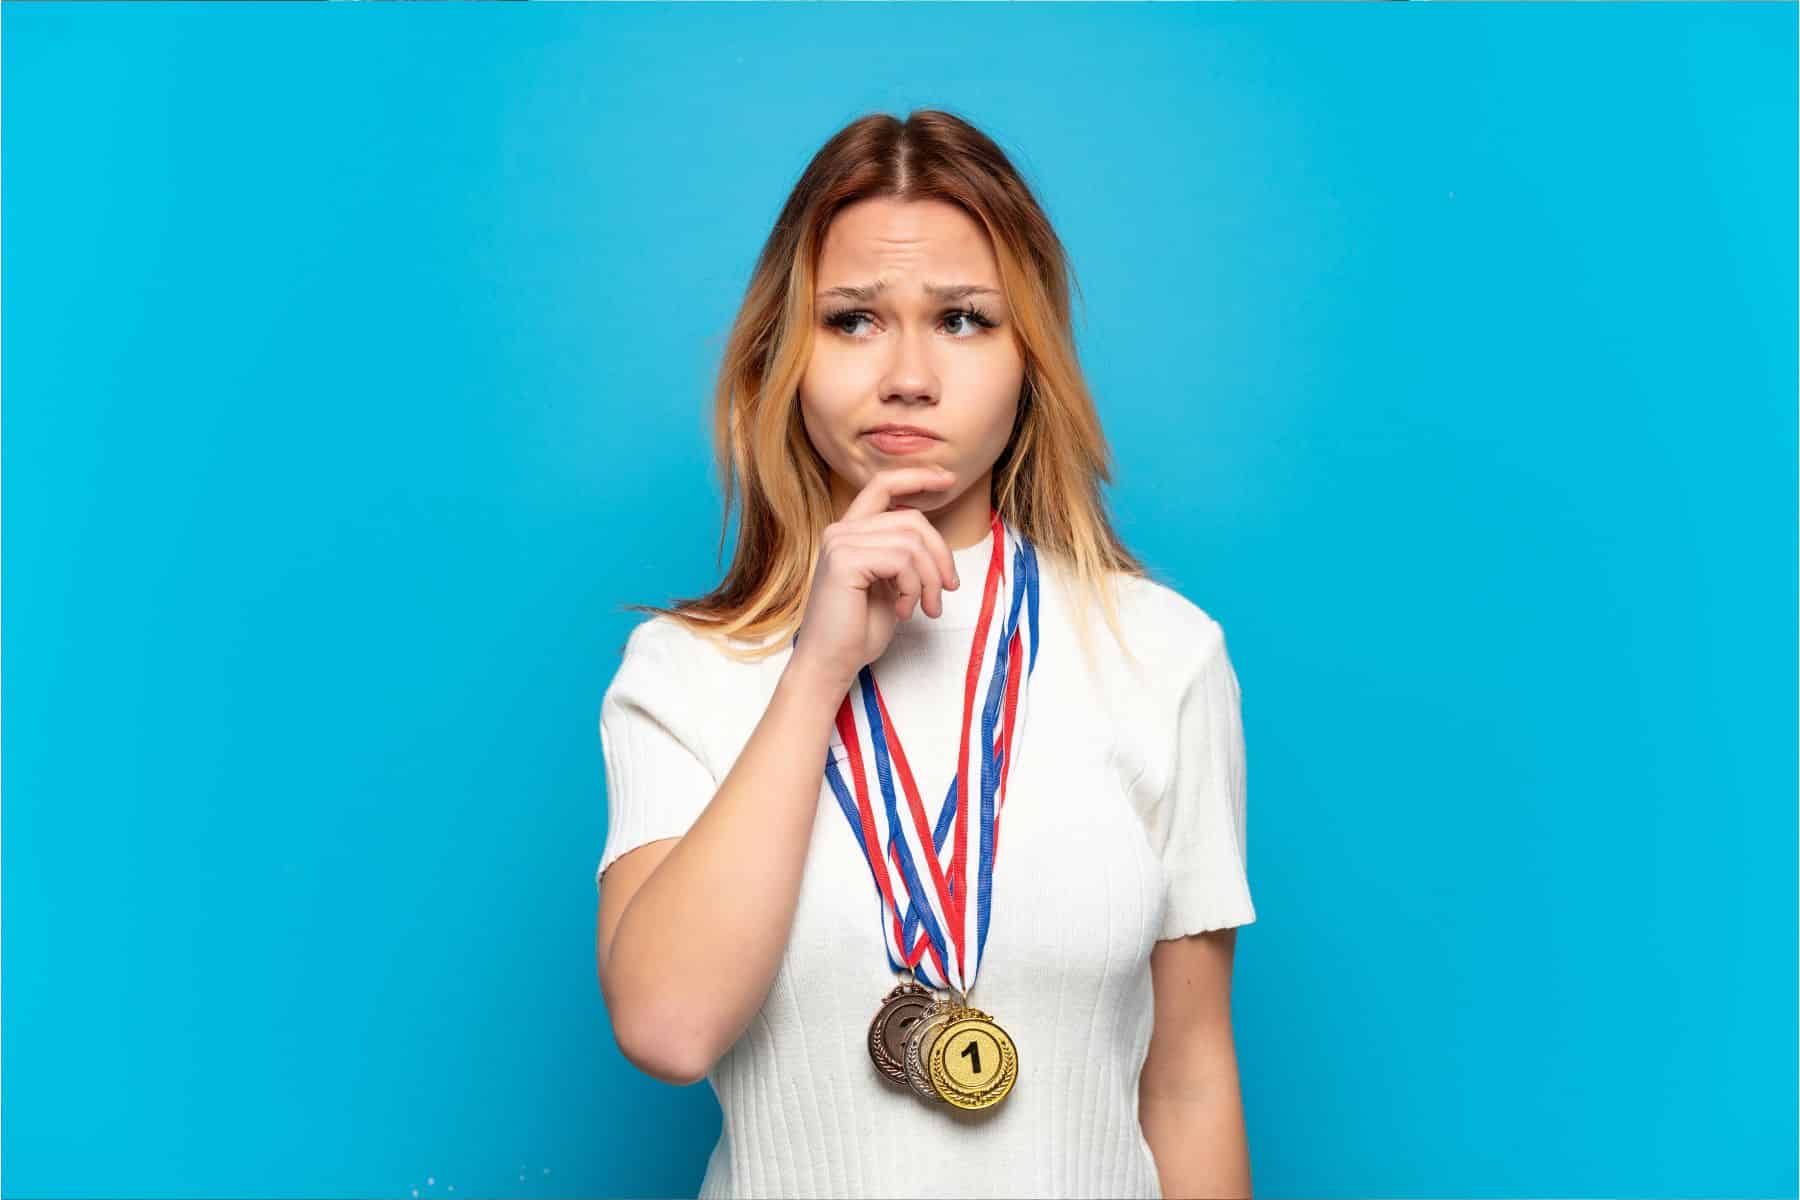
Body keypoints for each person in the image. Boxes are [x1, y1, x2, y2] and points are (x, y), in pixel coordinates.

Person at [593, 108, 1256, 1200]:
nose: (907, 375)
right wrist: (814, 672)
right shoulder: (683, 671)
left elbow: (1187, 1081)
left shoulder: (1163, 653)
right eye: (852, 320)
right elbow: (669, 1027)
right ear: (786, 355)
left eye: (961, 319)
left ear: (1029, 356)